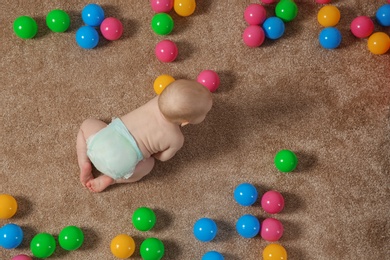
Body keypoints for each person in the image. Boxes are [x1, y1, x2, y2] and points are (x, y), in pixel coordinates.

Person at [76, 79, 213, 192]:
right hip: (121, 165)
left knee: (87, 124)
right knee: (149, 164)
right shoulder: (176, 139)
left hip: (101, 143)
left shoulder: (156, 100)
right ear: (186, 122)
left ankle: (84, 162)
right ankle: (113, 179)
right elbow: (162, 157)